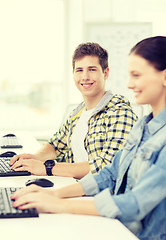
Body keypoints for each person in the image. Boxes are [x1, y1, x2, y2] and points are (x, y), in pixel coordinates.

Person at [11, 36, 166, 239]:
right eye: (79, 70)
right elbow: (109, 174)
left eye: (136, 75)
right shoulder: (142, 126)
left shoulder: (124, 113)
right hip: (116, 224)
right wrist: (54, 194)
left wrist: (60, 203)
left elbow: (135, 203)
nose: (129, 84)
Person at [10, 42, 137, 179]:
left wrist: (47, 168)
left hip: (100, 195)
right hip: (75, 187)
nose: (85, 77)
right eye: (79, 70)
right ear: (73, 74)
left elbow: (106, 166)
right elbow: (55, 145)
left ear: (105, 73)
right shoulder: (78, 113)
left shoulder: (120, 112)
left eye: (92, 69)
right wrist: (34, 157)